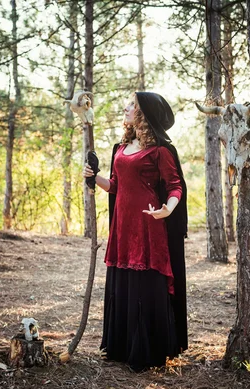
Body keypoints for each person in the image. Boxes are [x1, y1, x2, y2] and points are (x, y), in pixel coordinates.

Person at [83, 92, 188, 371]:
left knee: (145, 286)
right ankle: (121, 347)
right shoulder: (121, 147)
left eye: (133, 105)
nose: (126, 108)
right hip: (122, 224)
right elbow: (116, 185)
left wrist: (168, 208)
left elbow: (175, 184)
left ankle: (148, 351)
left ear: (144, 113)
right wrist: (95, 178)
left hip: (148, 224)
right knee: (124, 282)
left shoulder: (160, 151)